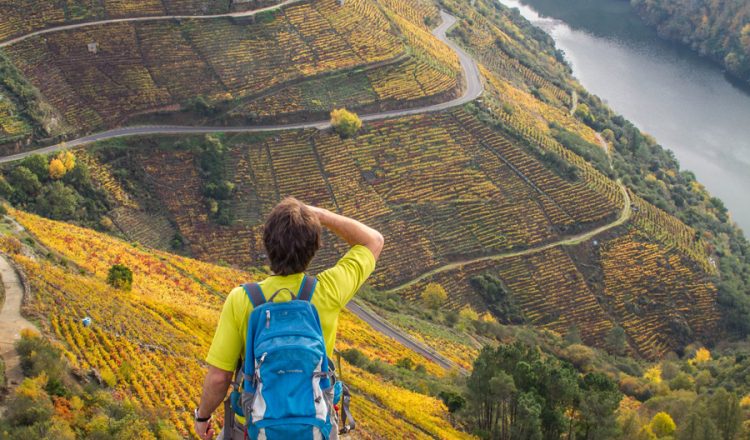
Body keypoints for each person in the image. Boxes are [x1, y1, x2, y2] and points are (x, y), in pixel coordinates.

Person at [194, 197, 384, 440]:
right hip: (315, 426)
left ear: (266, 244)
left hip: (253, 428)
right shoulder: (328, 291)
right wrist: (321, 215)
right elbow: (373, 240)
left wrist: (203, 416)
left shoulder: (241, 299)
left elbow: (220, 377)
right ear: (314, 247)